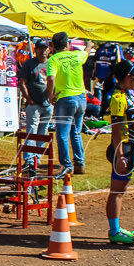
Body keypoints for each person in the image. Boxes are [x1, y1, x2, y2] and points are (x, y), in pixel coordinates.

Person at [105, 59, 134, 245]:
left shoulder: (130, 92)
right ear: (126, 77)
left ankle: (116, 228)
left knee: (120, 191)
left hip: (131, 147)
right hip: (122, 149)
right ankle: (114, 231)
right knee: (116, 191)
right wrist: (120, 156)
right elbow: (116, 130)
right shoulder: (118, 98)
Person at [46, 32, 94, 178]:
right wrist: (89, 45)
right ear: (67, 44)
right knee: (76, 132)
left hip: (66, 99)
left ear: (53, 45)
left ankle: (67, 165)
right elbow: (86, 52)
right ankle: (80, 163)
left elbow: (51, 78)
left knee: (62, 134)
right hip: (81, 98)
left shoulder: (53, 60)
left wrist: (50, 95)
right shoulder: (76, 55)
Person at [18, 39, 52, 173]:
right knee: (31, 130)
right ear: (36, 49)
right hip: (33, 104)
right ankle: (29, 159)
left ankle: (38, 157)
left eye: (45, 48)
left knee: (43, 131)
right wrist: (28, 99)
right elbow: (22, 83)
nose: (43, 51)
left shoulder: (51, 64)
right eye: (40, 48)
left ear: (49, 50)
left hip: (47, 104)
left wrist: (53, 99)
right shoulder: (30, 63)